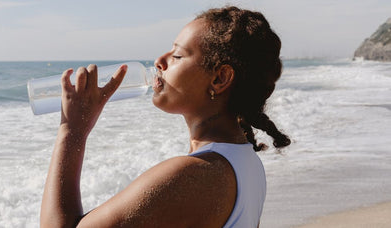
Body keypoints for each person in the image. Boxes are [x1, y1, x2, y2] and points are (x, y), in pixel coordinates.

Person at [40, 6, 290, 228]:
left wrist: (72, 131)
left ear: (220, 78)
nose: (159, 61)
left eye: (178, 56)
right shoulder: (246, 163)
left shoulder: (192, 175)